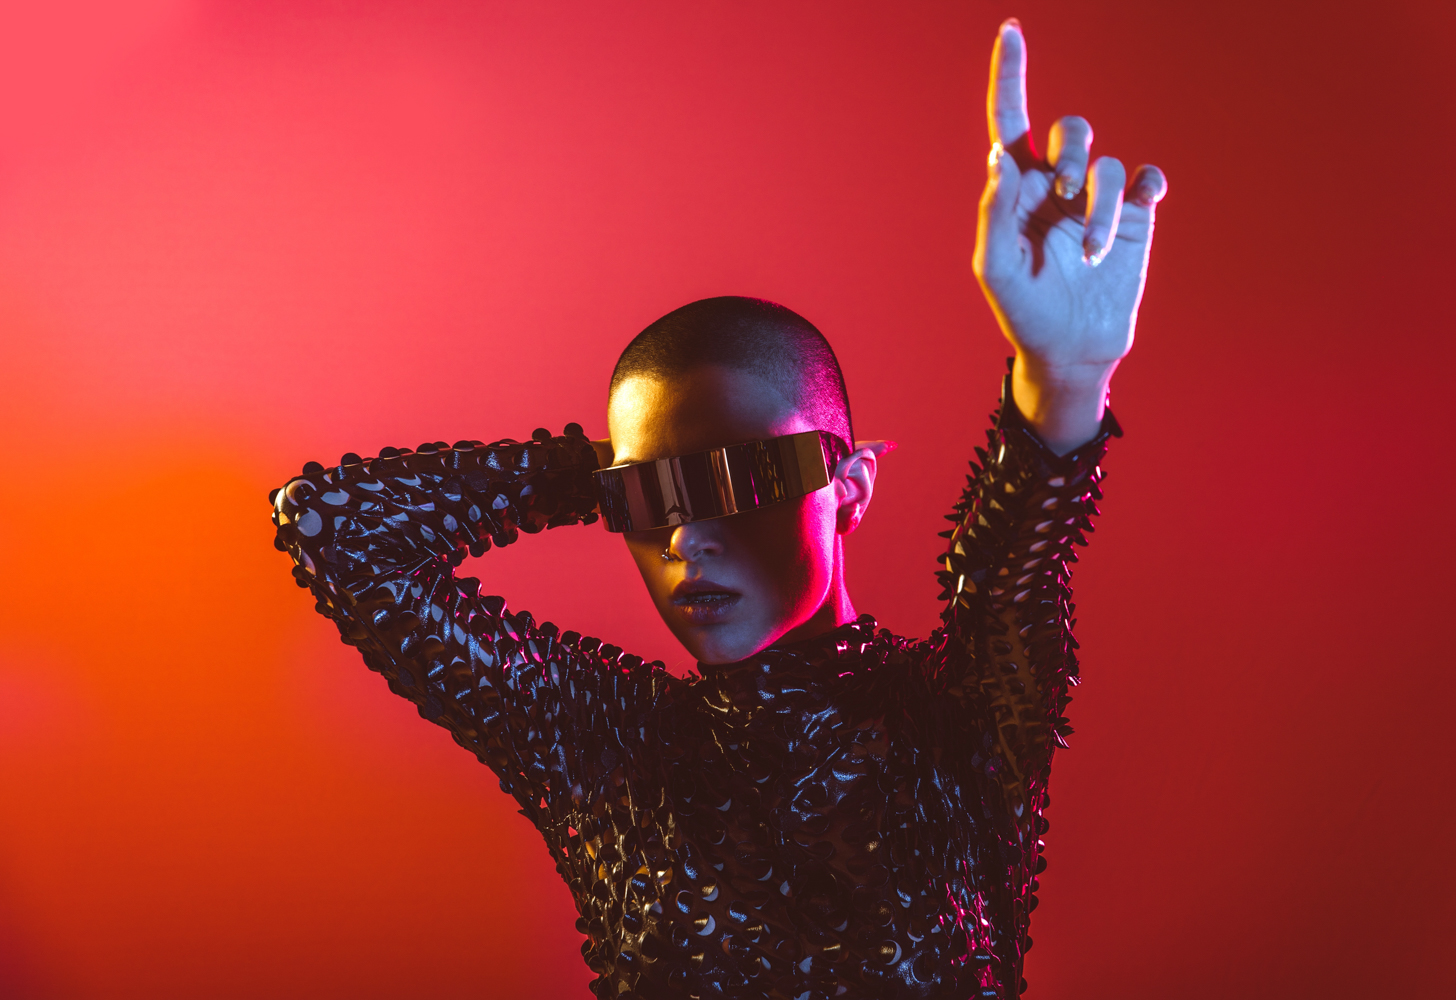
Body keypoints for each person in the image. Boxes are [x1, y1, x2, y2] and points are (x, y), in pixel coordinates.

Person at [270, 20, 1165, 1000]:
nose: (689, 536)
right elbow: (338, 528)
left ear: (851, 487)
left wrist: (1062, 378)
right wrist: (608, 468)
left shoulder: (961, 724)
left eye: (743, 480)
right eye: (653, 501)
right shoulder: (606, 750)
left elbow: (1008, 573)